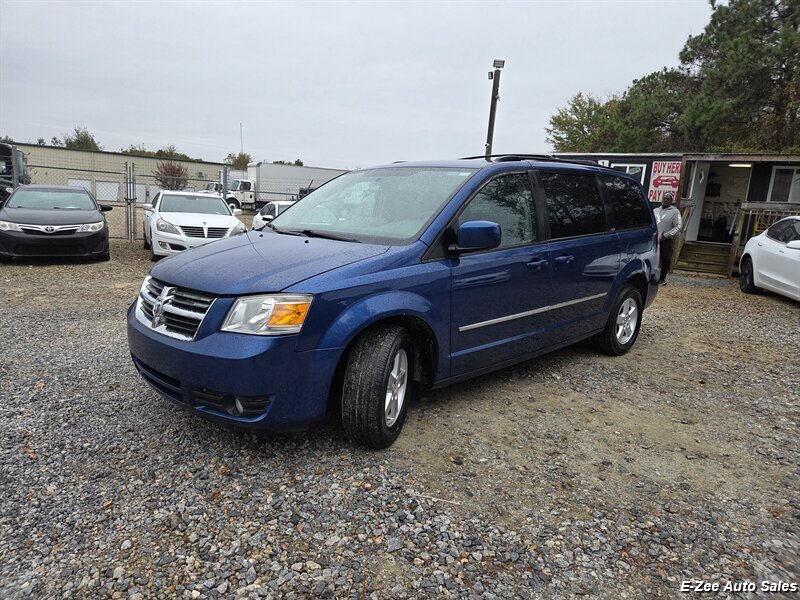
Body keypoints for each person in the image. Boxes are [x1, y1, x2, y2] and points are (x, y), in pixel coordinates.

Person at [653, 192, 682, 285]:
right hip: (653, 239)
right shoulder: (655, 210)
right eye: (664, 198)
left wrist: (666, 235)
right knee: (653, 259)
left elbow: (679, 226)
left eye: (668, 199)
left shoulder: (675, 212)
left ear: (671, 201)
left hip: (666, 240)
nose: (665, 200)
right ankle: (652, 277)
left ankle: (662, 278)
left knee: (665, 259)